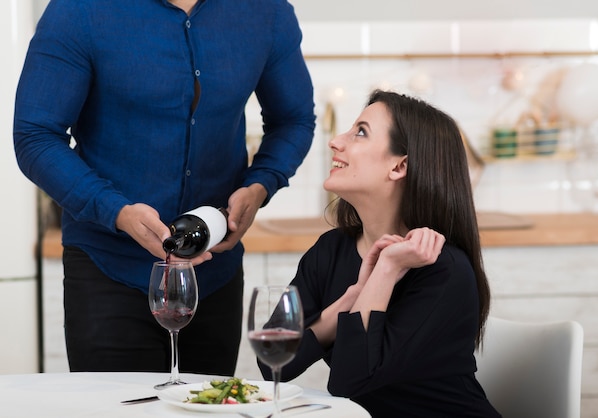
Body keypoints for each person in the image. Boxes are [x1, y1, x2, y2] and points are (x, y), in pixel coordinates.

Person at [13, 0, 315, 375]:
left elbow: (295, 120)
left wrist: (260, 185)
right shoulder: (79, 10)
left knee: (207, 409)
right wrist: (117, 212)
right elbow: (35, 136)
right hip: (109, 270)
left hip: (213, 276)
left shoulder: (265, 12)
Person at [259, 90, 501, 417]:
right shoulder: (330, 251)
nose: (336, 142)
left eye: (360, 132)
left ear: (399, 166)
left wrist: (385, 271)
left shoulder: (444, 270)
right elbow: (273, 359)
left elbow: (349, 382)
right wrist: (350, 300)